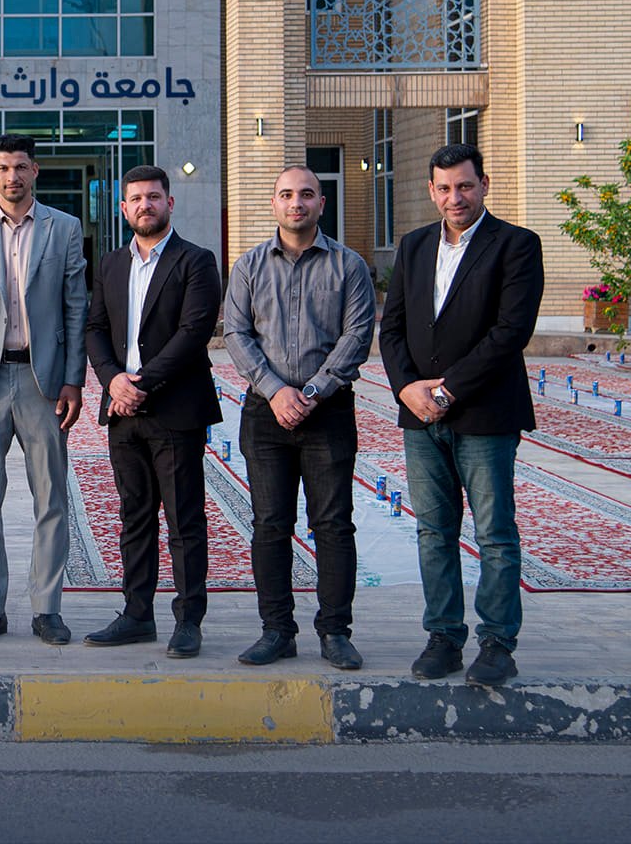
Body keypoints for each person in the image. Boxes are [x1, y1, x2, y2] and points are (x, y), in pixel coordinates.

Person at [378, 143, 544, 687]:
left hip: (485, 415)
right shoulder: (414, 245)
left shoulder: (516, 245)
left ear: (484, 185)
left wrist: (446, 393)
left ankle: (497, 644)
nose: (456, 197)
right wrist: (407, 389)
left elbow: (510, 333)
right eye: (445, 188)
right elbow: (392, 328)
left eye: (466, 186)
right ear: (431, 191)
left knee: (494, 533)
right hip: (420, 418)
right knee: (434, 531)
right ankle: (444, 637)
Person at [222, 166, 376, 671]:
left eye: (306, 194)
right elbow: (236, 334)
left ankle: (335, 631)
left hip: (327, 412)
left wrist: (310, 392)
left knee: (333, 525)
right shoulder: (248, 266)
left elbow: (357, 336)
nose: (296, 203)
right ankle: (277, 630)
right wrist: (275, 391)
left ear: (321, 203)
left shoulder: (349, 266)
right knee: (270, 524)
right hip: (264, 415)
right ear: (274, 203)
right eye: (286, 195)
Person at [0, 134, 87, 646]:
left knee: (51, 497)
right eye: (3, 168)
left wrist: (73, 379)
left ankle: (47, 608)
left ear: (35, 171)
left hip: (42, 381)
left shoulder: (64, 228)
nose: (12, 176)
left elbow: (76, 308)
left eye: (21, 166)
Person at [83, 165, 222, 659]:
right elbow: (95, 328)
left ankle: (188, 620)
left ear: (170, 203)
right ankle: (137, 614)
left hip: (176, 411)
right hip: (123, 413)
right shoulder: (111, 264)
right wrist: (112, 380)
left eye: (154, 197)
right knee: (134, 517)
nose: (146, 205)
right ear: (123, 209)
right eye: (136, 199)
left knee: (185, 520)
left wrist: (138, 385)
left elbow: (193, 333)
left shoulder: (196, 261)